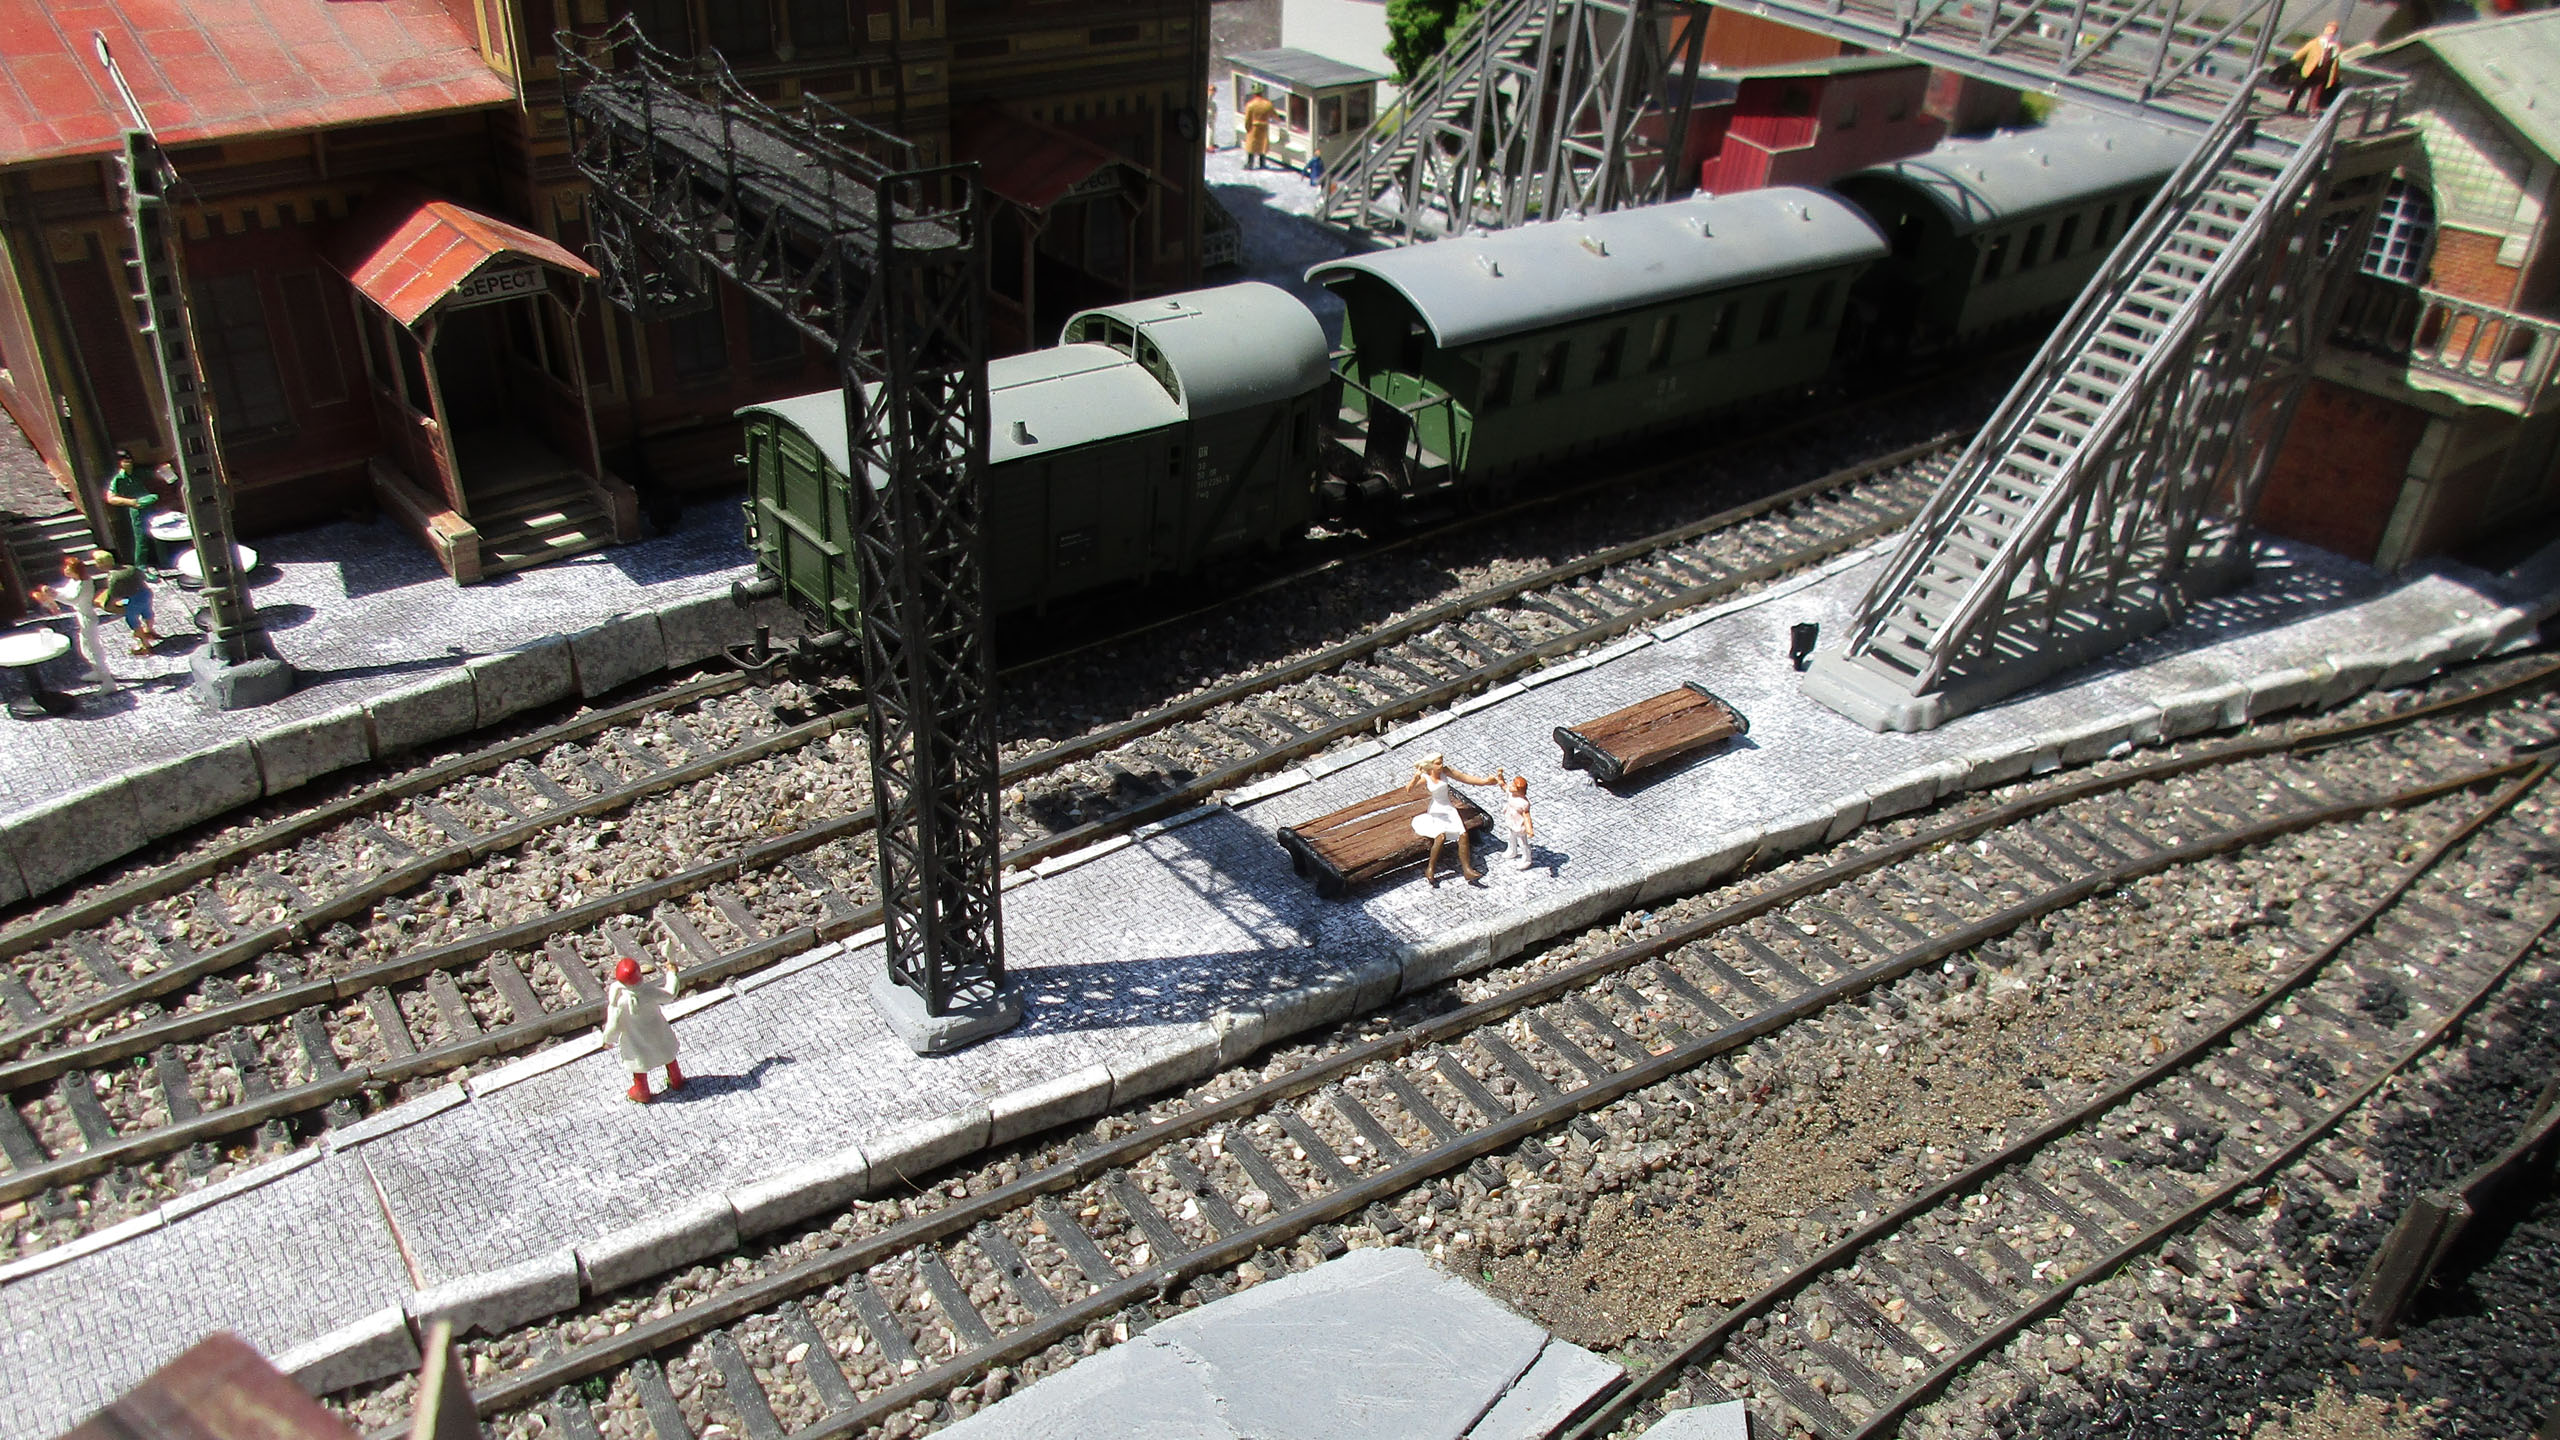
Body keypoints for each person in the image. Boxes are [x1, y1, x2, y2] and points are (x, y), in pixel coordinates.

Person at [1406, 752, 1502, 886]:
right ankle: (1430, 869)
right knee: (1441, 837)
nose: (1441, 765)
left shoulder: (1446, 771)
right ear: (1431, 765)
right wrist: (1415, 778)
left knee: (1463, 834)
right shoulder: (1426, 777)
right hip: (1436, 810)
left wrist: (1485, 782)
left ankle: (1467, 869)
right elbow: (1408, 789)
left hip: (1448, 808)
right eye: (1438, 763)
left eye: (1441, 762)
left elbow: (1465, 778)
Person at [602, 955, 686, 1103]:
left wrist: (608, 1039)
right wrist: (672, 973)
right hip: (657, 1031)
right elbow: (670, 994)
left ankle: (642, 1092)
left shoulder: (620, 1002)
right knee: (667, 1053)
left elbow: (614, 1024)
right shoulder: (649, 991)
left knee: (639, 1062)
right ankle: (676, 1079)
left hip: (635, 1038)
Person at [90, 549, 160, 655]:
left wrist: (107, 605)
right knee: (148, 613)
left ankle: (145, 645)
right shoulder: (130, 568)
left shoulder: (114, 577)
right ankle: (149, 631)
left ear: (102, 564)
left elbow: (112, 595)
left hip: (134, 600)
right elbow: (142, 577)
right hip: (146, 594)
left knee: (132, 620)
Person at [101, 450, 159, 571]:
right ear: (120, 463)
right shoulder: (118, 479)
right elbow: (111, 498)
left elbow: (154, 474)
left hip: (149, 505)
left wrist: (163, 470)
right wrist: (131, 502)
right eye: (125, 461)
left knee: (158, 534)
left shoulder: (137, 473)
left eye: (130, 461)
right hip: (137, 509)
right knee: (141, 539)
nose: (129, 464)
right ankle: (141, 567)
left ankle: (164, 561)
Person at [2286, 22, 2341, 115]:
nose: (2330, 33)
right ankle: (2290, 108)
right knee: (2299, 90)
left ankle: (2311, 110)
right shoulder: (2315, 43)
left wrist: (2333, 76)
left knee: (2316, 94)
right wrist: (2293, 62)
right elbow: (2301, 53)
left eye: (2333, 31)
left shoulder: (2335, 47)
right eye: (2329, 30)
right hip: (2309, 71)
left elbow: (2335, 63)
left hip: (2322, 73)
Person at [1501, 773, 1535, 871]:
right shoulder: (1511, 794)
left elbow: (1527, 817)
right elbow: (1504, 786)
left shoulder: (1523, 803)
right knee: (1510, 837)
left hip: (1519, 825)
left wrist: (1529, 830)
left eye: (1513, 786)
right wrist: (1500, 777)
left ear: (1519, 790)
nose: (1511, 786)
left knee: (1522, 842)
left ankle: (1527, 859)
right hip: (1511, 820)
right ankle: (1512, 850)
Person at [1242, 88, 1277, 170]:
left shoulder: (1250, 105)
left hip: (1253, 127)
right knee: (1262, 145)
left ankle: (1250, 163)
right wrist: (1280, 120)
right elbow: (1273, 114)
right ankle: (1262, 163)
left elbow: (1247, 119)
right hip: (1263, 127)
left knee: (1251, 145)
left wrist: (1247, 127)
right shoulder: (1267, 104)